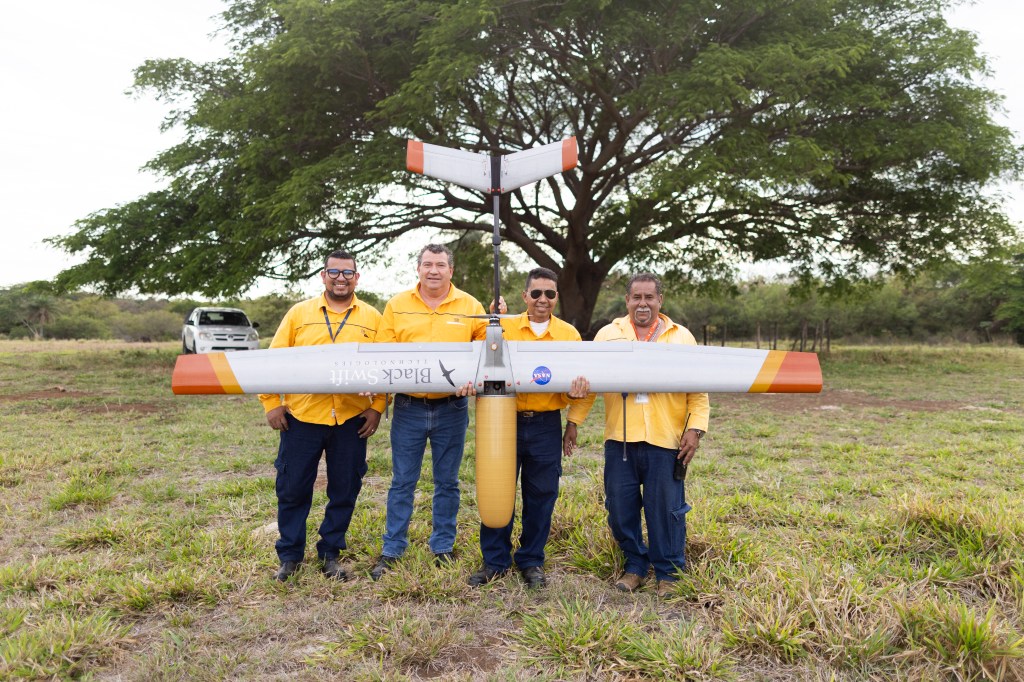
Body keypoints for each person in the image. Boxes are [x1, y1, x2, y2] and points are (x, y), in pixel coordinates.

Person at [575, 273, 709, 597]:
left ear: (660, 301)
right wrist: (573, 422)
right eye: (637, 297)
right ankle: (635, 565)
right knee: (620, 508)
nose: (643, 304)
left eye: (650, 297)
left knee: (666, 509)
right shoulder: (608, 335)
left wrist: (695, 429)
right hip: (619, 439)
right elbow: (589, 383)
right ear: (627, 301)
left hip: (666, 439)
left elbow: (698, 388)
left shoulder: (681, 337)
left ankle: (669, 572)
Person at [260, 250, 387, 582]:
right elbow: (272, 361)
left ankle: (330, 553)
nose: (340, 279)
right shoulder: (299, 314)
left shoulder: (372, 317)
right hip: (302, 417)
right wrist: (271, 402)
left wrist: (377, 407)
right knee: (292, 488)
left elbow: (388, 366)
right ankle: (289, 557)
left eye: (348, 273)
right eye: (334, 272)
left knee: (345, 489)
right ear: (323, 275)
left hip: (351, 420)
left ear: (357, 278)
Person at [467, 267, 590, 589]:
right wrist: (490, 317)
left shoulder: (569, 335)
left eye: (549, 293)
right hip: (501, 420)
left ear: (556, 297)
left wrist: (574, 416)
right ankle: (494, 561)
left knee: (541, 495)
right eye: (536, 293)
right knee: (498, 489)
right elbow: (476, 361)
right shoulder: (503, 330)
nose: (542, 299)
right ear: (524, 296)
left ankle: (531, 560)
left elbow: (580, 383)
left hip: (546, 424)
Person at [371, 244, 488, 580]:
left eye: (440, 265)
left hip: (452, 407)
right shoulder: (397, 305)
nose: (433, 270)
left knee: (448, 483)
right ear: (417, 269)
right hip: (408, 406)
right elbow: (384, 352)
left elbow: (485, 349)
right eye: (427, 264)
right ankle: (392, 549)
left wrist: (474, 381)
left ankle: (442, 547)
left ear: (451, 270)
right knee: (402, 482)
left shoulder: (470, 305)